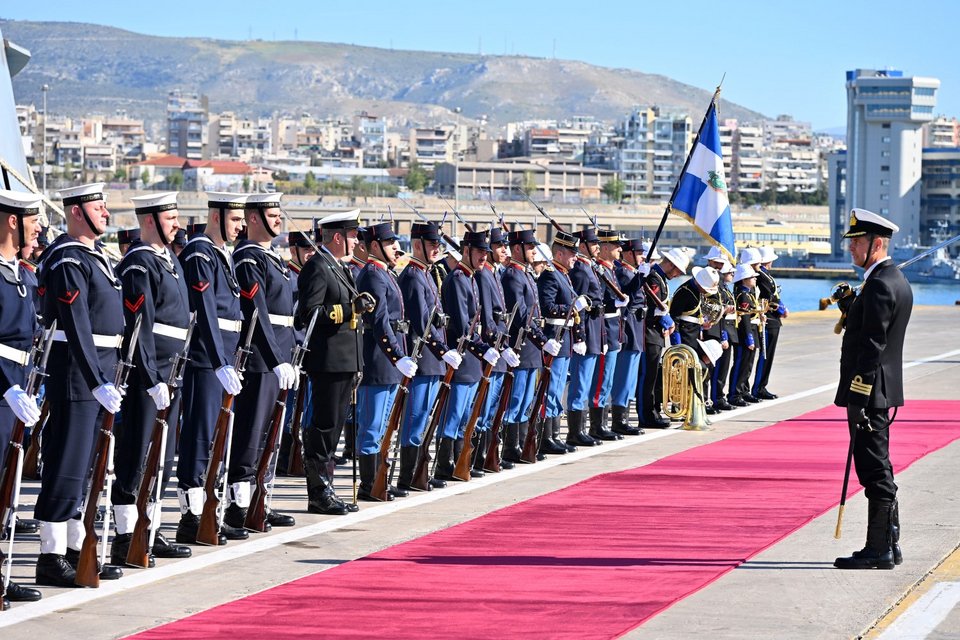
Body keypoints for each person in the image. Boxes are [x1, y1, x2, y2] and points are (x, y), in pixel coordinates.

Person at [35, 183, 125, 586]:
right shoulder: (67, 258)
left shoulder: (94, 256)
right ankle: (51, 554)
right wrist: (96, 380)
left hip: (99, 370)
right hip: (77, 371)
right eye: (98, 207)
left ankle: (74, 548)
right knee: (68, 462)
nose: (105, 213)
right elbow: (76, 325)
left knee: (87, 465)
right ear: (76, 212)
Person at [110, 192, 192, 566]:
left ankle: (151, 528)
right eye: (170, 217)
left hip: (171, 372)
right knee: (137, 453)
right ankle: (126, 535)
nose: (177, 224)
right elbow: (139, 329)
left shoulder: (169, 260)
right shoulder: (139, 264)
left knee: (162, 456)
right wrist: (151, 377)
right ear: (150, 221)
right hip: (151, 375)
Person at [833, 209, 912, 570]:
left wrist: (858, 394)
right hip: (880, 389)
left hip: (869, 391)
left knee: (873, 470)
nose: (850, 248)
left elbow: (873, 345)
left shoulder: (880, 283)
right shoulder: (890, 279)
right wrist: (853, 308)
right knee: (879, 466)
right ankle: (889, 544)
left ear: (876, 243)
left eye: (857, 242)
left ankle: (878, 549)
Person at [175, 192, 249, 545]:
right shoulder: (200, 253)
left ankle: (208, 511)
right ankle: (191, 516)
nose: (240, 226)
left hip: (224, 356)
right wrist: (220, 361)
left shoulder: (221, 254)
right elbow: (205, 310)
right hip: (206, 358)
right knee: (200, 435)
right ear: (216, 217)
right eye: (234, 219)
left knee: (217, 437)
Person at [225, 193, 297, 531]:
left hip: (280, 355)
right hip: (261, 357)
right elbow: (258, 313)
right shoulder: (248, 258)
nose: (279, 219)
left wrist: (290, 355)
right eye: (272, 214)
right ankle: (238, 505)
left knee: (271, 434)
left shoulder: (272, 257)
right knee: (251, 433)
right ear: (254, 218)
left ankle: (259, 500)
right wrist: (276, 358)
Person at [295, 210, 369, 515]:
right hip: (327, 361)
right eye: (352, 236)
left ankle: (327, 487)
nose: (356, 241)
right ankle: (318, 492)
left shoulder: (338, 267)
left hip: (345, 361)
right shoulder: (317, 267)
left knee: (334, 429)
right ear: (337, 237)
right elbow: (308, 314)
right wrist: (348, 309)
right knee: (323, 428)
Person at [0, 190, 43, 607]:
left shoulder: (23, 274)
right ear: (13, 221)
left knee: (8, 484)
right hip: (3, 390)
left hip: (21, 387)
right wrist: (6, 385)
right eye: (33, 220)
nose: (39, 228)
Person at [395, 222, 461, 491]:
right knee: (415, 418)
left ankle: (419, 470)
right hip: (423, 357)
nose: (437, 249)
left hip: (433, 359)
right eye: (432, 245)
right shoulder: (413, 275)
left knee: (424, 418)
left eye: (438, 245)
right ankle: (409, 474)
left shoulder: (426, 273)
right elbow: (422, 322)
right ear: (417, 245)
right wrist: (443, 350)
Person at [355, 221, 415, 500]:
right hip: (379, 360)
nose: (395, 247)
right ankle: (369, 485)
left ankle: (379, 480)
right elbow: (379, 321)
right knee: (372, 426)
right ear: (375, 246)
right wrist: (397, 356)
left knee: (383, 426)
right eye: (389, 243)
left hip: (389, 361)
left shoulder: (384, 273)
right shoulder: (372, 275)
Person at [436, 230, 499, 481]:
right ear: (466, 251)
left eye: (486, 253)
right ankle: (446, 463)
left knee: (465, 414)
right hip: (463, 355)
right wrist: (483, 348)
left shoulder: (470, 277)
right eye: (480, 252)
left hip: (473, 357)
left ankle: (459, 459)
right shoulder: (457, 279)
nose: (484, 257)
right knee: (454, 413)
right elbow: (464, 327)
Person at [500, 229, 558, 464]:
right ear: (517, 249)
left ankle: (522, 443)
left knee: (526, 400)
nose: (534, 251)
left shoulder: (525, 274)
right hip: (522, 344)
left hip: (531, 345)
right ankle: (510, 446)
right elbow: (521, 315)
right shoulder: (513, 276)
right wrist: (543, 340)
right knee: (515, 399)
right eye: (530, 247)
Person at [472, 227, 520, 475]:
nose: (504, 250)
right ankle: (477, 457)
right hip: (491, 348)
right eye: (499, 246)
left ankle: (488, 453)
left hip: (500, 346)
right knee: (484, 407)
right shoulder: (483, 275)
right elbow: (487, 318)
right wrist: (500, 345)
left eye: (505, 246)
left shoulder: (494, 273)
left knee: (493, 408)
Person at [539, 231, 589, 451]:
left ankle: (554, 434)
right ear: (559, 253)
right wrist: (571, 307)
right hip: (555, 336)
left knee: (558, 387)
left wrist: (578, 336)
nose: (575, 257)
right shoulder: (550, 275)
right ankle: (546, 437)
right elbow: (547, 307)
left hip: (565, 338)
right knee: (551, 388)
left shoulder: (563, 274)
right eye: (571, 253)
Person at [637, 247, 688, 428]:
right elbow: (652, 305)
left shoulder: (660, 278)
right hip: (649, 332)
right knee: (647, 376)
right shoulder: (653, 277)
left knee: (652, 375)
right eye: (678, 271)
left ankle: (651, 412)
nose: (678, 275)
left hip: (656, 333)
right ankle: (645, 415)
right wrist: (667, 321)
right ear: (671, 265)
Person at [589, 230, 632, 439]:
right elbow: (598, 300)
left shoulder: (610, 269)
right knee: (602, 379)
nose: (619, 250)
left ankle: (603, 424)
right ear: (605, 248)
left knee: (607, 380)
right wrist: (613, 303)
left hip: (615, 329)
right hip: (606, 328)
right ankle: (596, 426)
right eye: (616, 246)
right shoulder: (601, 270)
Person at [609, 238, 647, 435]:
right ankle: (619, 419)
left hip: (637, 327)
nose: (642, 257)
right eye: (639, 253)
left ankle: (623, 415)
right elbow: (628, 293)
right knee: (624, 376)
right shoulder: (623, 272)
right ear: (628, 254)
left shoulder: (631, 272)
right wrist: (641, 277)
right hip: (629, 327)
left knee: (631, 377)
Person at [752, 246, 787, 400]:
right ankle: (758, 387)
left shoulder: (766, 275)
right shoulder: (761, 276)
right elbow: (768, 297)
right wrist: (781, 309)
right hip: (768, 319)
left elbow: (774, 294)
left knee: (768, 355)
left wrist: (782, 307)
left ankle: (762, 386)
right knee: (765, 355)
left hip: (773, 319)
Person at [729, 263, 761, 406]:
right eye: (752, 277)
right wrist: (749, 338)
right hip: (745, 334)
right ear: (744, 279)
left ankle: (742, 391)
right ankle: (734, 394)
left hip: (752, 330)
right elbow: (745, 318)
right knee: (741, 365)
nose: (755, 279)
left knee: (748, 365)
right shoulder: (743, 295)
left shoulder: (748, 294)